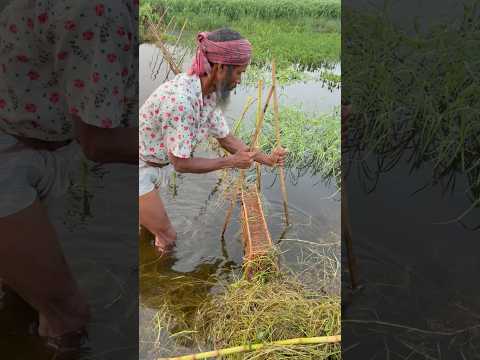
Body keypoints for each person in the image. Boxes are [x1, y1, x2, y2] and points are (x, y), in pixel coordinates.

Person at [0, 0, 138, 351]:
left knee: (21, 291)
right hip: (10, 157)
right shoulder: (99, 9)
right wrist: (172, 151)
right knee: (68, 317)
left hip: (33, 144)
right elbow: (99, 142)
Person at [139, 28, 287, 252]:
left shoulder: (207, 95)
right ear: (219, 68)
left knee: (148, 226)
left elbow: (226, 139)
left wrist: (268, 159)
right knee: (167, 236)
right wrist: (230, 162)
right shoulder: (182, 101)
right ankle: (161, 281)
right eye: (239, 72)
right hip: (137, 167)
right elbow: (181, 163)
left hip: (155, 164)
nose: (239, 80)